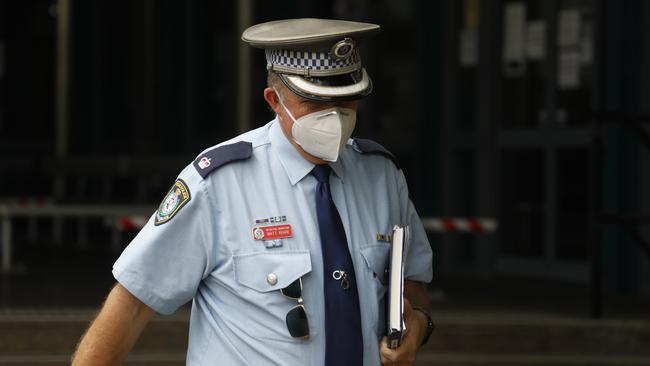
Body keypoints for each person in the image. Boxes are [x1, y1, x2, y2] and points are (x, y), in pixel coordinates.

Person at [72, 18, 434, 366]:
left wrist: (418, 323)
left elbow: (412, 281)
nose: (335, 116)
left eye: (346, 100)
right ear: (274, 100)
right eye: (317, 102)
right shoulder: (220, 183)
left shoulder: (382, 176)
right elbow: (133, 303)